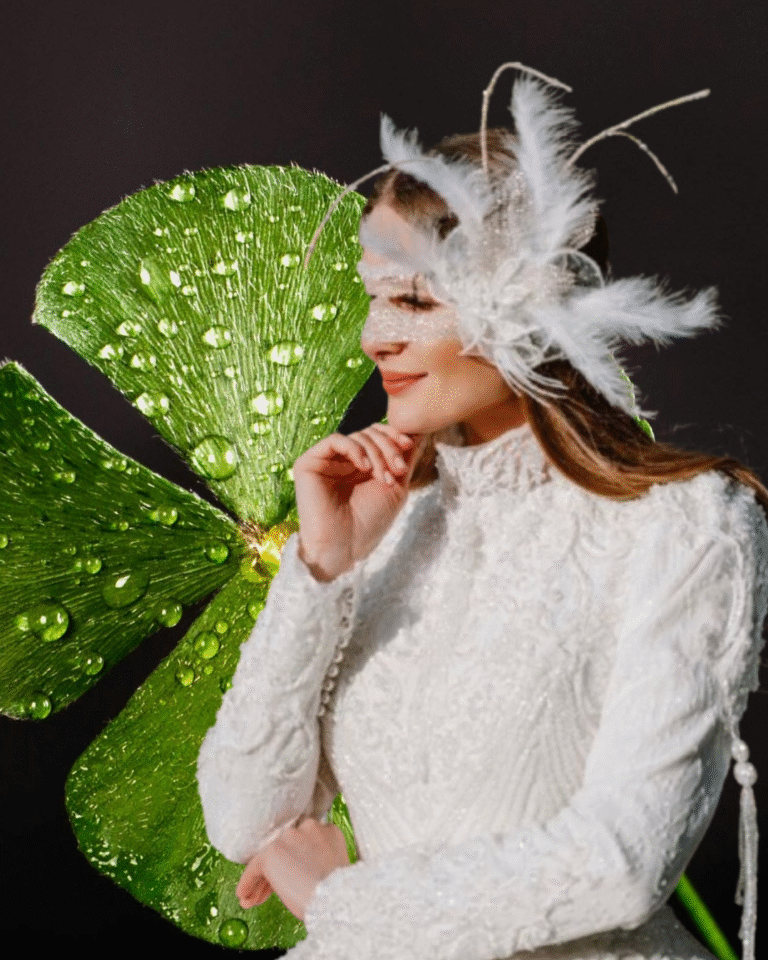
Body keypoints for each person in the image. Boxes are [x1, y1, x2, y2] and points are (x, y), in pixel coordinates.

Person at [196, 69, 768, 960]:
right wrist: (322, 570)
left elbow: (622, 861)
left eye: (415, 301)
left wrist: (347, 906)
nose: (374, 337)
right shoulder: (381, 522)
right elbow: (243, 816)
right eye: (372, 296)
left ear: (528, 312)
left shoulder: (687, 525)